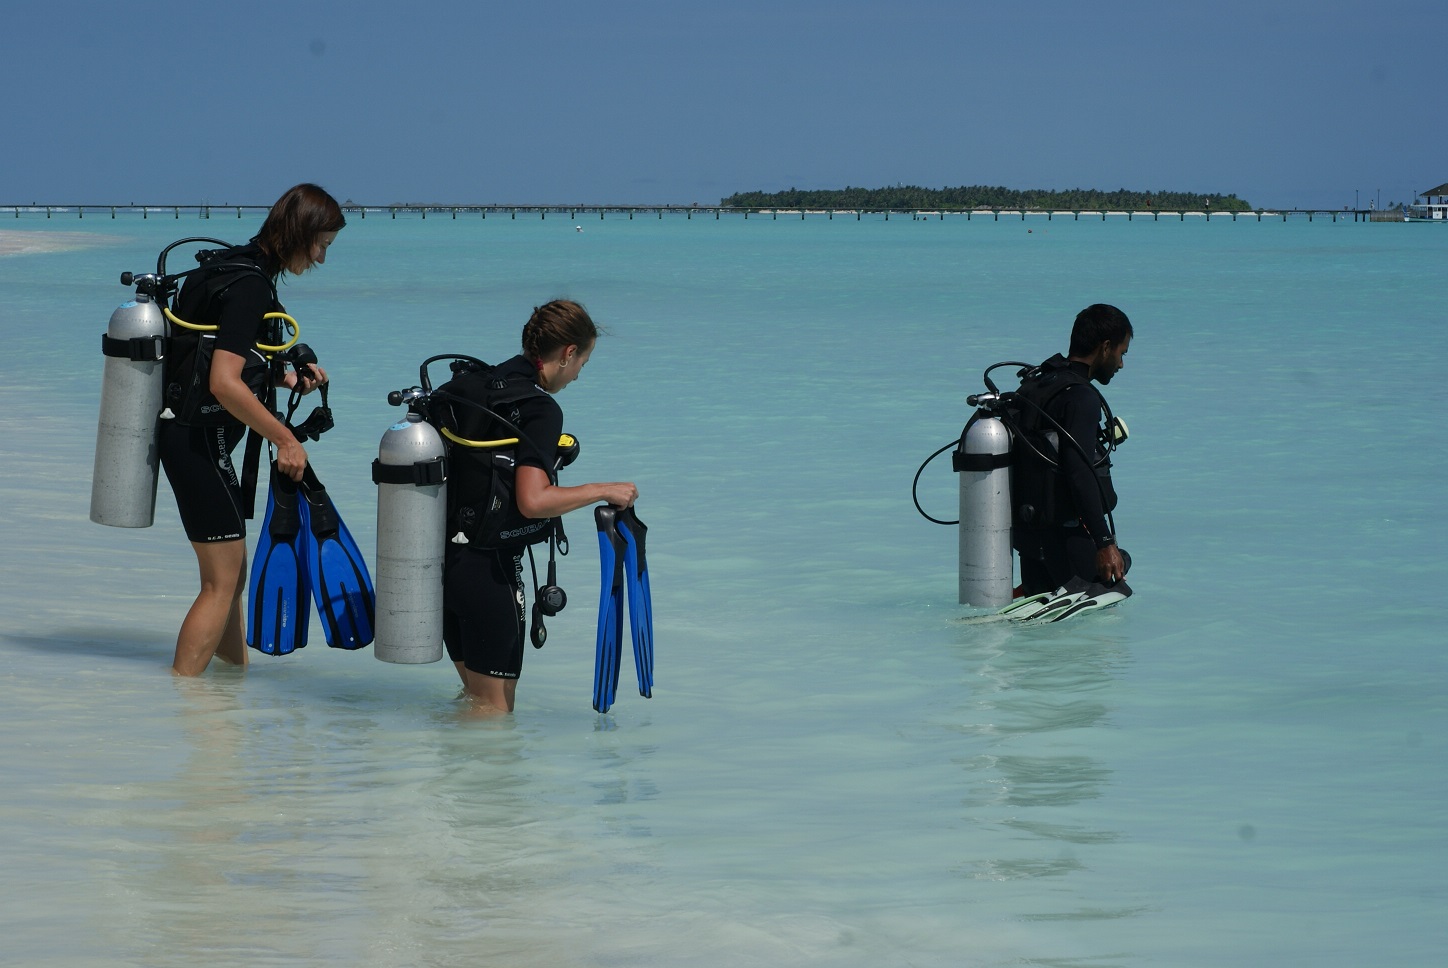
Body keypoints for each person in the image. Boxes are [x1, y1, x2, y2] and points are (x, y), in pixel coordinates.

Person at [157, 183, 344, 676]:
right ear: (300, 233)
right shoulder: (251, 284)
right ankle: (182, 700)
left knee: (231, 578)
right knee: (221, 582)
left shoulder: (232, 267)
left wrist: (283, 375)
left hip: (191, 436)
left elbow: (211, 361)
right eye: (321, 244)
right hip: (199, 441)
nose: (322, 257)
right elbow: (222, 383)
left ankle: (225, 699)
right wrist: (286, 439)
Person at [438, 300, 638, 715]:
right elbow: (533, 502)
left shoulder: (472, 386)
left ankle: (446, 779)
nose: (580, 372)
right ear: (567, 353)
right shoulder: (540, 409)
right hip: (489, 576)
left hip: (442, 569)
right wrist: (604, 490)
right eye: (584, 360)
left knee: (474, 703)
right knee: (495, 717)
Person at [1011, 303, 1133, 596]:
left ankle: (1031, 588)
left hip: (1028, 540)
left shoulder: (1035, 385)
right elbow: (1079, 471)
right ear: (1105, 347)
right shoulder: (1080, 396)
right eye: (1121, 353)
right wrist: (1105, 543)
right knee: (1119, 585)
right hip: (1062, 539)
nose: (1120, 364)